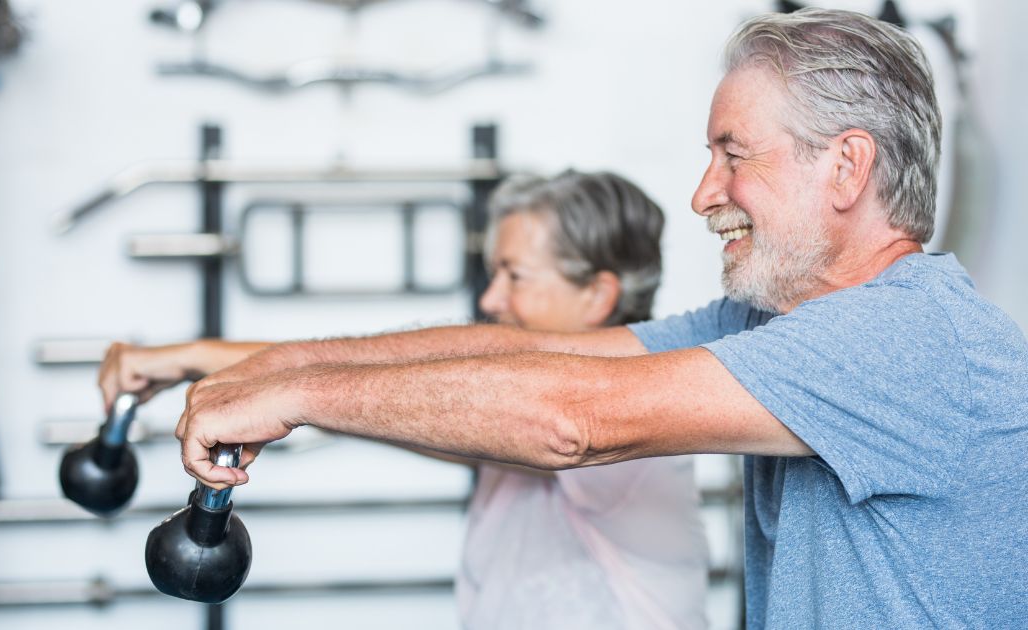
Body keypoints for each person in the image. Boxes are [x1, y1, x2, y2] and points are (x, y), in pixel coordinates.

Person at [104, 8, 1028, 628]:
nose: (705, 192)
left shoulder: (907, 338)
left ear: (846, 167)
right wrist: (253, 373)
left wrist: (297, 393)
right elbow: (516, 351)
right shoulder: (773, 332)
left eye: (732, 153)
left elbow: (571, 418)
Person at [101, 171, 709, 629]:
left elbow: (412, 389)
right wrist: (216, 371)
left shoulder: (624, 418)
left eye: (514, 275)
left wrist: (207, 364)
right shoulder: (515, 423)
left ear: (597, 296)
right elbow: (404, 397)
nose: (492, 299)